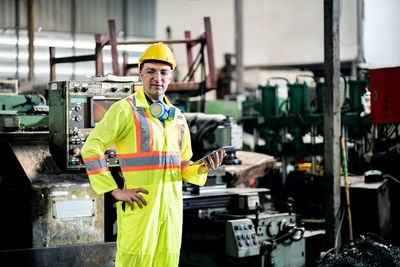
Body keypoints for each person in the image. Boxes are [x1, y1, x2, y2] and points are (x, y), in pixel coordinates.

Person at [81, 42, 225, 267]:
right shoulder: (124, 109)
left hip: (171, 213)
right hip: (141, 210)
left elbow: (183, 165)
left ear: (170, 77)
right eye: (151, 71)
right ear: (141, 74)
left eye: (163, 72)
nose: (157, 77)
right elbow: (91, 147)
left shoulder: (177, 117)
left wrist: (204, 167)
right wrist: (114, 190)